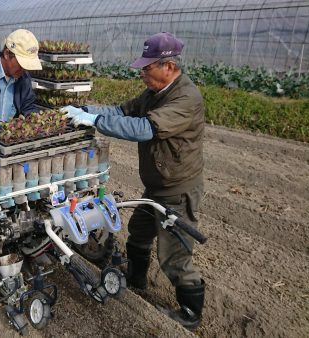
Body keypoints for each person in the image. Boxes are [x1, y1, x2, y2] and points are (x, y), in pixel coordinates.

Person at [61, 32, 205, 329]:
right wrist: (87, 111)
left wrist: (97, 123)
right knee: (139, 233)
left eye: (146, 68)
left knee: (174, 253)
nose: (142, 74)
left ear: (168, 66)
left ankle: (191, 315)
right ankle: (136, 279)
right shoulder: (154, 93)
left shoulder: (185, 98)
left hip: (177, 189)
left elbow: (144, 128)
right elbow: (122, 111)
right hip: (156, 185)